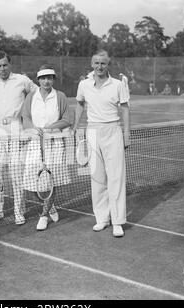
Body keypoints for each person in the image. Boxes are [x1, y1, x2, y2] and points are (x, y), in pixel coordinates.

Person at [74, 50, 130, 238]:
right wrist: (76, 126)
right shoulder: (84, 85)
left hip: (113, 130)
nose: (99, 67)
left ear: (108, 65)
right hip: (92, 132)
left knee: (115, 178)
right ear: (92, 64)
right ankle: (102, 219)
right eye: (96, 63)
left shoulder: (118, 85)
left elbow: (125, 109)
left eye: (103, 63)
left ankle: (117, 221)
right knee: (97, 178)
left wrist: (126, 132)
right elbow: (80, 104)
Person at [0, 51, 38, 225]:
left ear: (10, 65)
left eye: (5, 65)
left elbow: (38, 95)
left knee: (17, 175)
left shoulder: (22, 80)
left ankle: (18, 212)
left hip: (16, 132)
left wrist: (26, 115)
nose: (2, 68)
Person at [21, 65, 72, 231]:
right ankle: (50, 206)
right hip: (35, 144)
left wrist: (49, 128)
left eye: (50, 77)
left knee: (52, 179)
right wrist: (34, 129)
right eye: (43, 78)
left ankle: (43, 215)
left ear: (53, 79)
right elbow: (26, 117)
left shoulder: (60, 96)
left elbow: (67, 118)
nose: (46, 81)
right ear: (38, 80)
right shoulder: (30, 96)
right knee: (33, 181)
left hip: (54, 144)